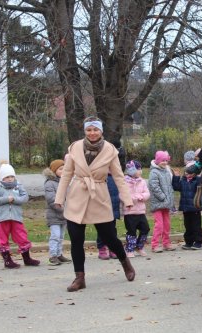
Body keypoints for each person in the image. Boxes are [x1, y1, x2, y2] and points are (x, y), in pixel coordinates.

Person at [54, 116, 135, 292]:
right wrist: (59, 198)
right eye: (89, 129)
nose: (92, 133)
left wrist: (127, 199)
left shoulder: (110, 150)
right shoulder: (75, 147)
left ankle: (125, 262)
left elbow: (119, 177)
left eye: (95, 129)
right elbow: (67, 174)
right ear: (85, 131)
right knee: (76, 239)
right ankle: (79, 277)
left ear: (101, 131)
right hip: (77, 194)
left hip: (98, 195)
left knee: (109, 237)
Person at [0, 163, 40, 269]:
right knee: (3, 238)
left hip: (16, 217)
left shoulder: (18, 186)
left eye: (11, 176)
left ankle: (27, 258)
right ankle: (7, 260)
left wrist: (15, 199)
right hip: (3, 218)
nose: (10, 179)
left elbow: (25, 198)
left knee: (22, 236)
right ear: (2, 178)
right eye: (7, 177)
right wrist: (6, 199)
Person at [43, 159, 72, 266]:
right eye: (60, 169)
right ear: (54, 170)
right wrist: (62, 208)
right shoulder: (50, 183)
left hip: (65, 215)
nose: (63, 171)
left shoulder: (66, 181)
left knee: (61, 236)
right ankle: (53, 255)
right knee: (55, 235)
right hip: (54, 215)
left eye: (64, 168)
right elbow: (51, 199)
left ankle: (59, 254)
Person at [148, 150, 176, 253]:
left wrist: (170, 199)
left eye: (166, 160)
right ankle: (155, 244)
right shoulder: (154, 172)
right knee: (159, 225)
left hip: (166, 203)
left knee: (167, 225)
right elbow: (154, 186)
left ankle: (166, 243)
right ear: (157, 161)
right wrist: (163, 197)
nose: (164, 162)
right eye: (162, 160)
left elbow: (169, 187)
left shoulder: (166, 171)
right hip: (158, 203)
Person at [172, 162, 202, 250]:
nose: (187, 174)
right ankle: (189, 242)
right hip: (186, 208)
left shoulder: (197, 180)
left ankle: (198, 242)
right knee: (188, 226)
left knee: (196, 226)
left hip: (195, 208)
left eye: (189, 172)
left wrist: (199, 175)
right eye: (186, 172)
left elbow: (201, 185)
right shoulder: (183, 180)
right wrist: (176, 177)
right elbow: (176, 187)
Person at [123, 160, 150, 257]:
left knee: (145, 229)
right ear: (132, 170)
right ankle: (129, 249)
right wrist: (134, 198)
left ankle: (139, 246)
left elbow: (147, 194)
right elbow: (123, 195)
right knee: (131, 232)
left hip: (141, 211)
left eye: (140, 169)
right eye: (138, 169)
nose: (140, 171)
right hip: (130, 212)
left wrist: (140, 196)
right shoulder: (124, 182)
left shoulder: (142, 181)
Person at [97, 174, 120, 260]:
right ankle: (102, 248)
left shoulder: (114, 177)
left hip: (113, 208)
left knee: (112, 229)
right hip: (102, 207)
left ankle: (112, 248)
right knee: (102, 230)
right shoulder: (99, 176)